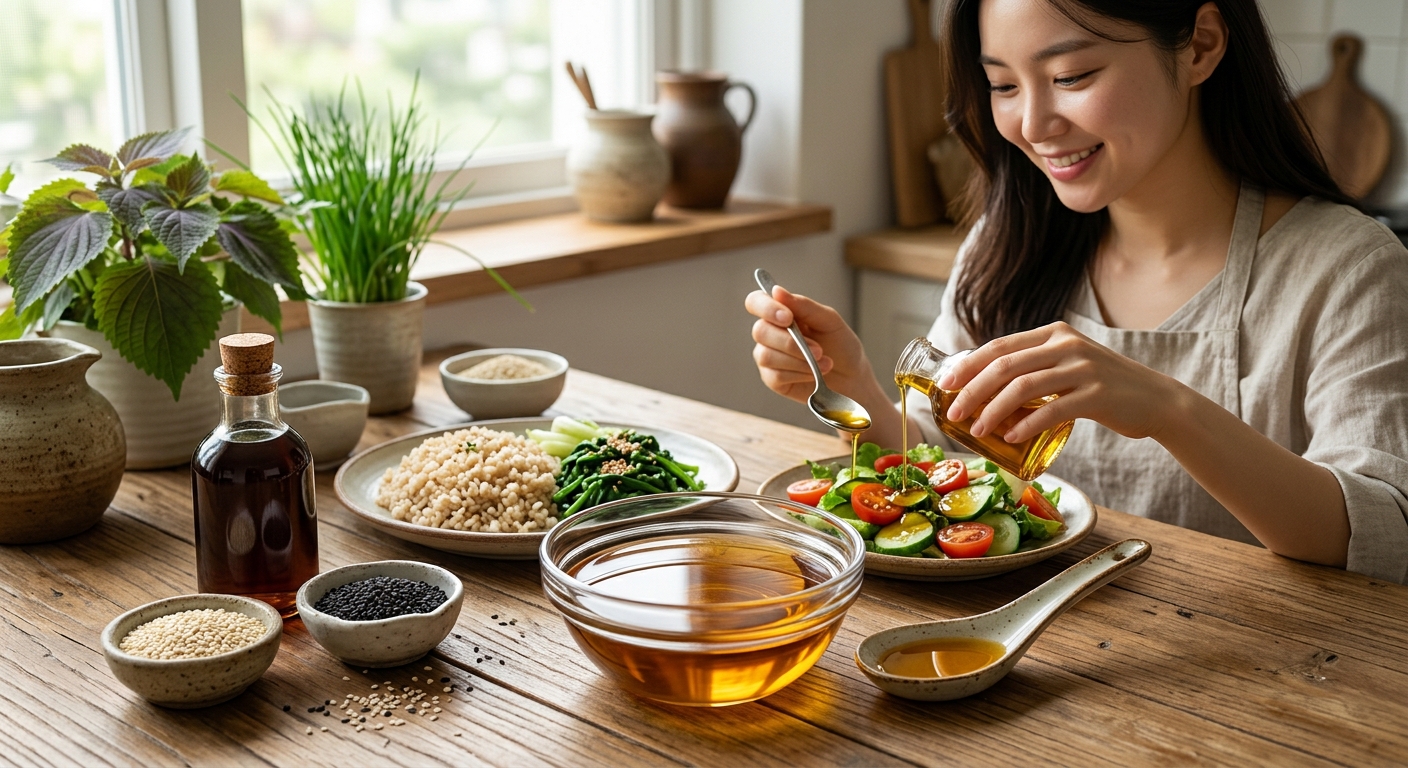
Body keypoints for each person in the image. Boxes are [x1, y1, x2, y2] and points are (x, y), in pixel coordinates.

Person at [745, 0, 1408, 583]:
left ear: (1201, 44)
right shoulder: (1009, 245)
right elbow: (945, 461)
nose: (1033, 123)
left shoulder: (1348, 268)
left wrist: (1168, 409)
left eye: (1070, 77)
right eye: (1003, 84)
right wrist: (853, 382)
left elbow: (1381, 534)